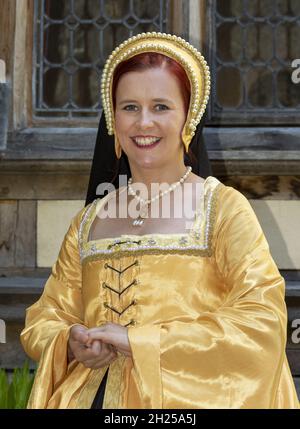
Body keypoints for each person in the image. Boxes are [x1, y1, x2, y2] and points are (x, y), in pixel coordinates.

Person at [20, 32, 299, 409]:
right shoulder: (89, 222)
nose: (143, 122)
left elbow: (261, 321)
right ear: (113, 117)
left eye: (161, 107)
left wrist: (141, 341)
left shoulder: (223, 210)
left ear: (188, 116)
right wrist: (69, 340)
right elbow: (45, 316)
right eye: (129, 107)